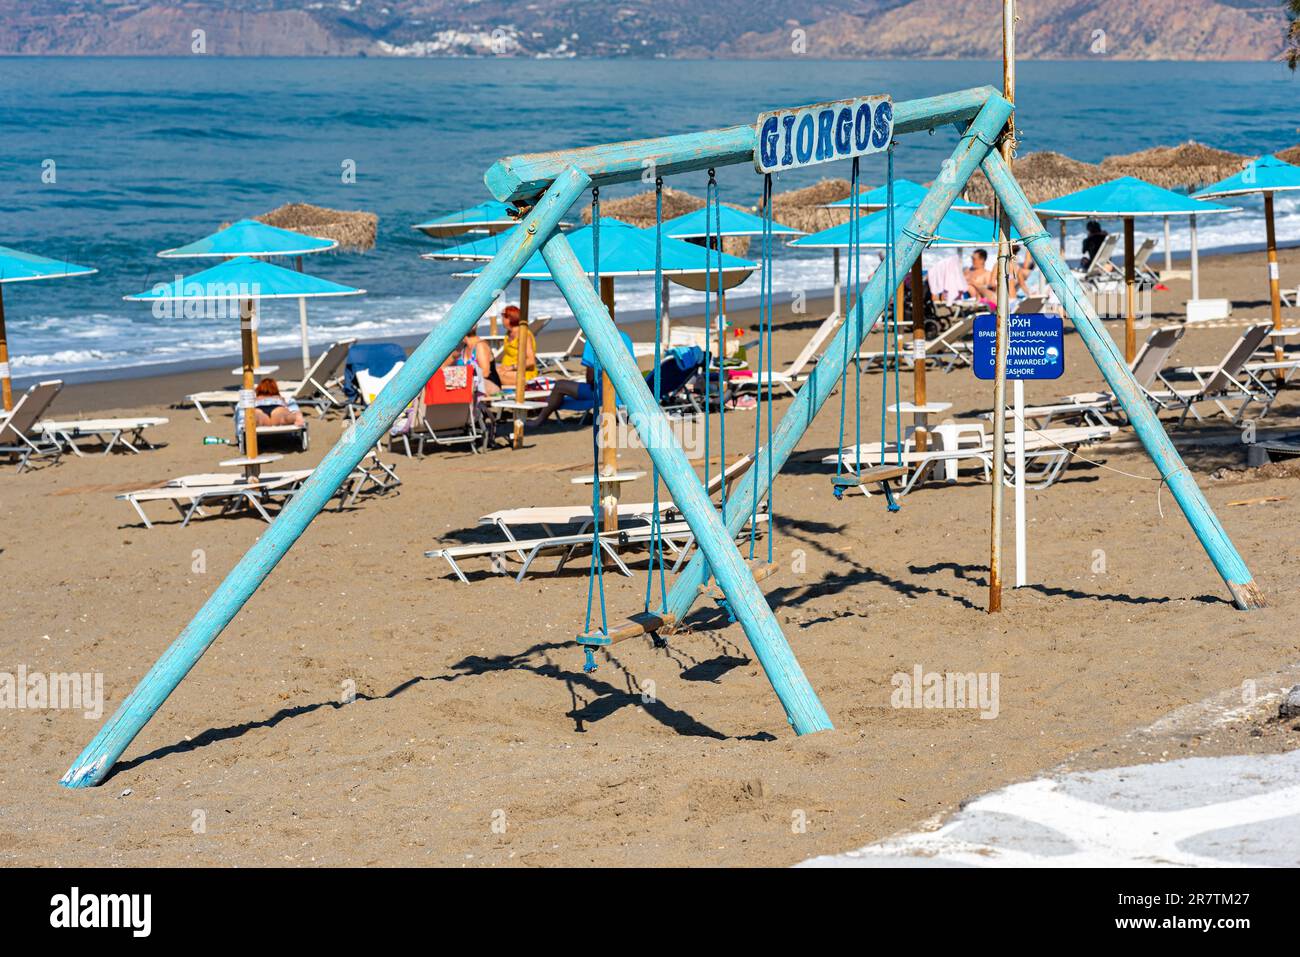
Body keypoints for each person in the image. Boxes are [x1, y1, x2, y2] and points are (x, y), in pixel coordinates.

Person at [528, 329, 635, 428]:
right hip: (626, 391)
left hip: (604, 392)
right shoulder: (624, 337)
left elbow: (590, 377)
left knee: (559, 385)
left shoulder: (594, 339)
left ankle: (540, 420)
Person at [444, 327, 498, 396]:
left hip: (487, 384)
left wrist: (458, 377)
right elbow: (442, 368)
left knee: (452, 383)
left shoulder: (480, 345)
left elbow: (485, 373)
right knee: (440, 382)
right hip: (467, 384)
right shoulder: (461, 349)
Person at [495, 304, 536, 392]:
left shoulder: (523, 334)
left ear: (509, 318)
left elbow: (531, 361)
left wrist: (511, 367)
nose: (501, 320)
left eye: (503, 317)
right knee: (489, 372)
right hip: (509, 371)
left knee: (492, 376)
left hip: (524, 373)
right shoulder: (509, 334)